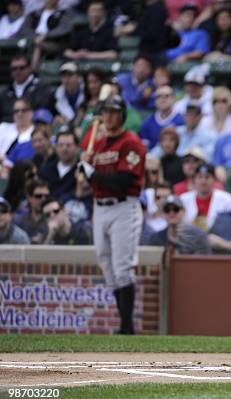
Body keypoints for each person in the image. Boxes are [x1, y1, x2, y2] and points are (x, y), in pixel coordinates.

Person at [77, 94, 146, 335]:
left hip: (123, 206)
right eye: (106, 112)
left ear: (123, 115)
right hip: (99, 206)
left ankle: (126, 327)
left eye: (114, 112)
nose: (108, 116)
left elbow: (123, 180)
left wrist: (92, 173)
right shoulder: (97, 142)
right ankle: (123, 324)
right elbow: (86, 182)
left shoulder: (131, 142)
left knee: (122, 266)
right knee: (106, 263)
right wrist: (85, 170)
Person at [17, 0, 76, 68]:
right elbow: (24, 29)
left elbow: (64, 28)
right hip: (34, 40)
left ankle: (34, 71)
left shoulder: (64, 13)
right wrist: (36, 37)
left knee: (38, 46)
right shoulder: (34, 14)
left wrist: (45, 36)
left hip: (54, 43)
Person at [145, 194, 212, 254]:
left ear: (184, 211)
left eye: (176, 209)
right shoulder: (155, 238)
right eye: (167, 210)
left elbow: (205, 263)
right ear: (163, 213)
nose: (171, 213)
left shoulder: (198, 236)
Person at [179, 163, 231, 231]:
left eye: (207, 177)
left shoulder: (226, 199)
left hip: (218, 238)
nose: (203, 181)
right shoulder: (183, 199)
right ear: (194, 180)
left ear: (214, 180)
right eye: (199, 177)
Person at [0, 54, 52, 122]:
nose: (17, 71)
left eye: (22, 68)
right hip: (8, 127)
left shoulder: (41, 87)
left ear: (29, 68)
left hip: (34, 126)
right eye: (14, 69)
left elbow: (42, 111)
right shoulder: (6, 92)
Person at [38, 126, 79, 204]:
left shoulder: (82, 170)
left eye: (68, 145)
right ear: (56, 147)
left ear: (76, 148)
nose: (64, 149)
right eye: (61, 145)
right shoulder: (45, 170)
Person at [140, 86, 185, 150]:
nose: (163, 99)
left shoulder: (182, 120)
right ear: (154, 100)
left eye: (166, 96)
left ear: (173, 98)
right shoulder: (147, 123)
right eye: (159, 96)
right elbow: (144, 147)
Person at [0, 99, 35, 167]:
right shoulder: (3, 127)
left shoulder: (35, 132)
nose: (19, 114)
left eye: (23, 110)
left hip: (17, 169)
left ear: (31, 112)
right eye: (16, 111)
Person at [14, 179, 49, 244]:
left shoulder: (54, 217)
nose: (43, 199)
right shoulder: (19, 221)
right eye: (38, 196)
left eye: (46, 196)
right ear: (29, 198)